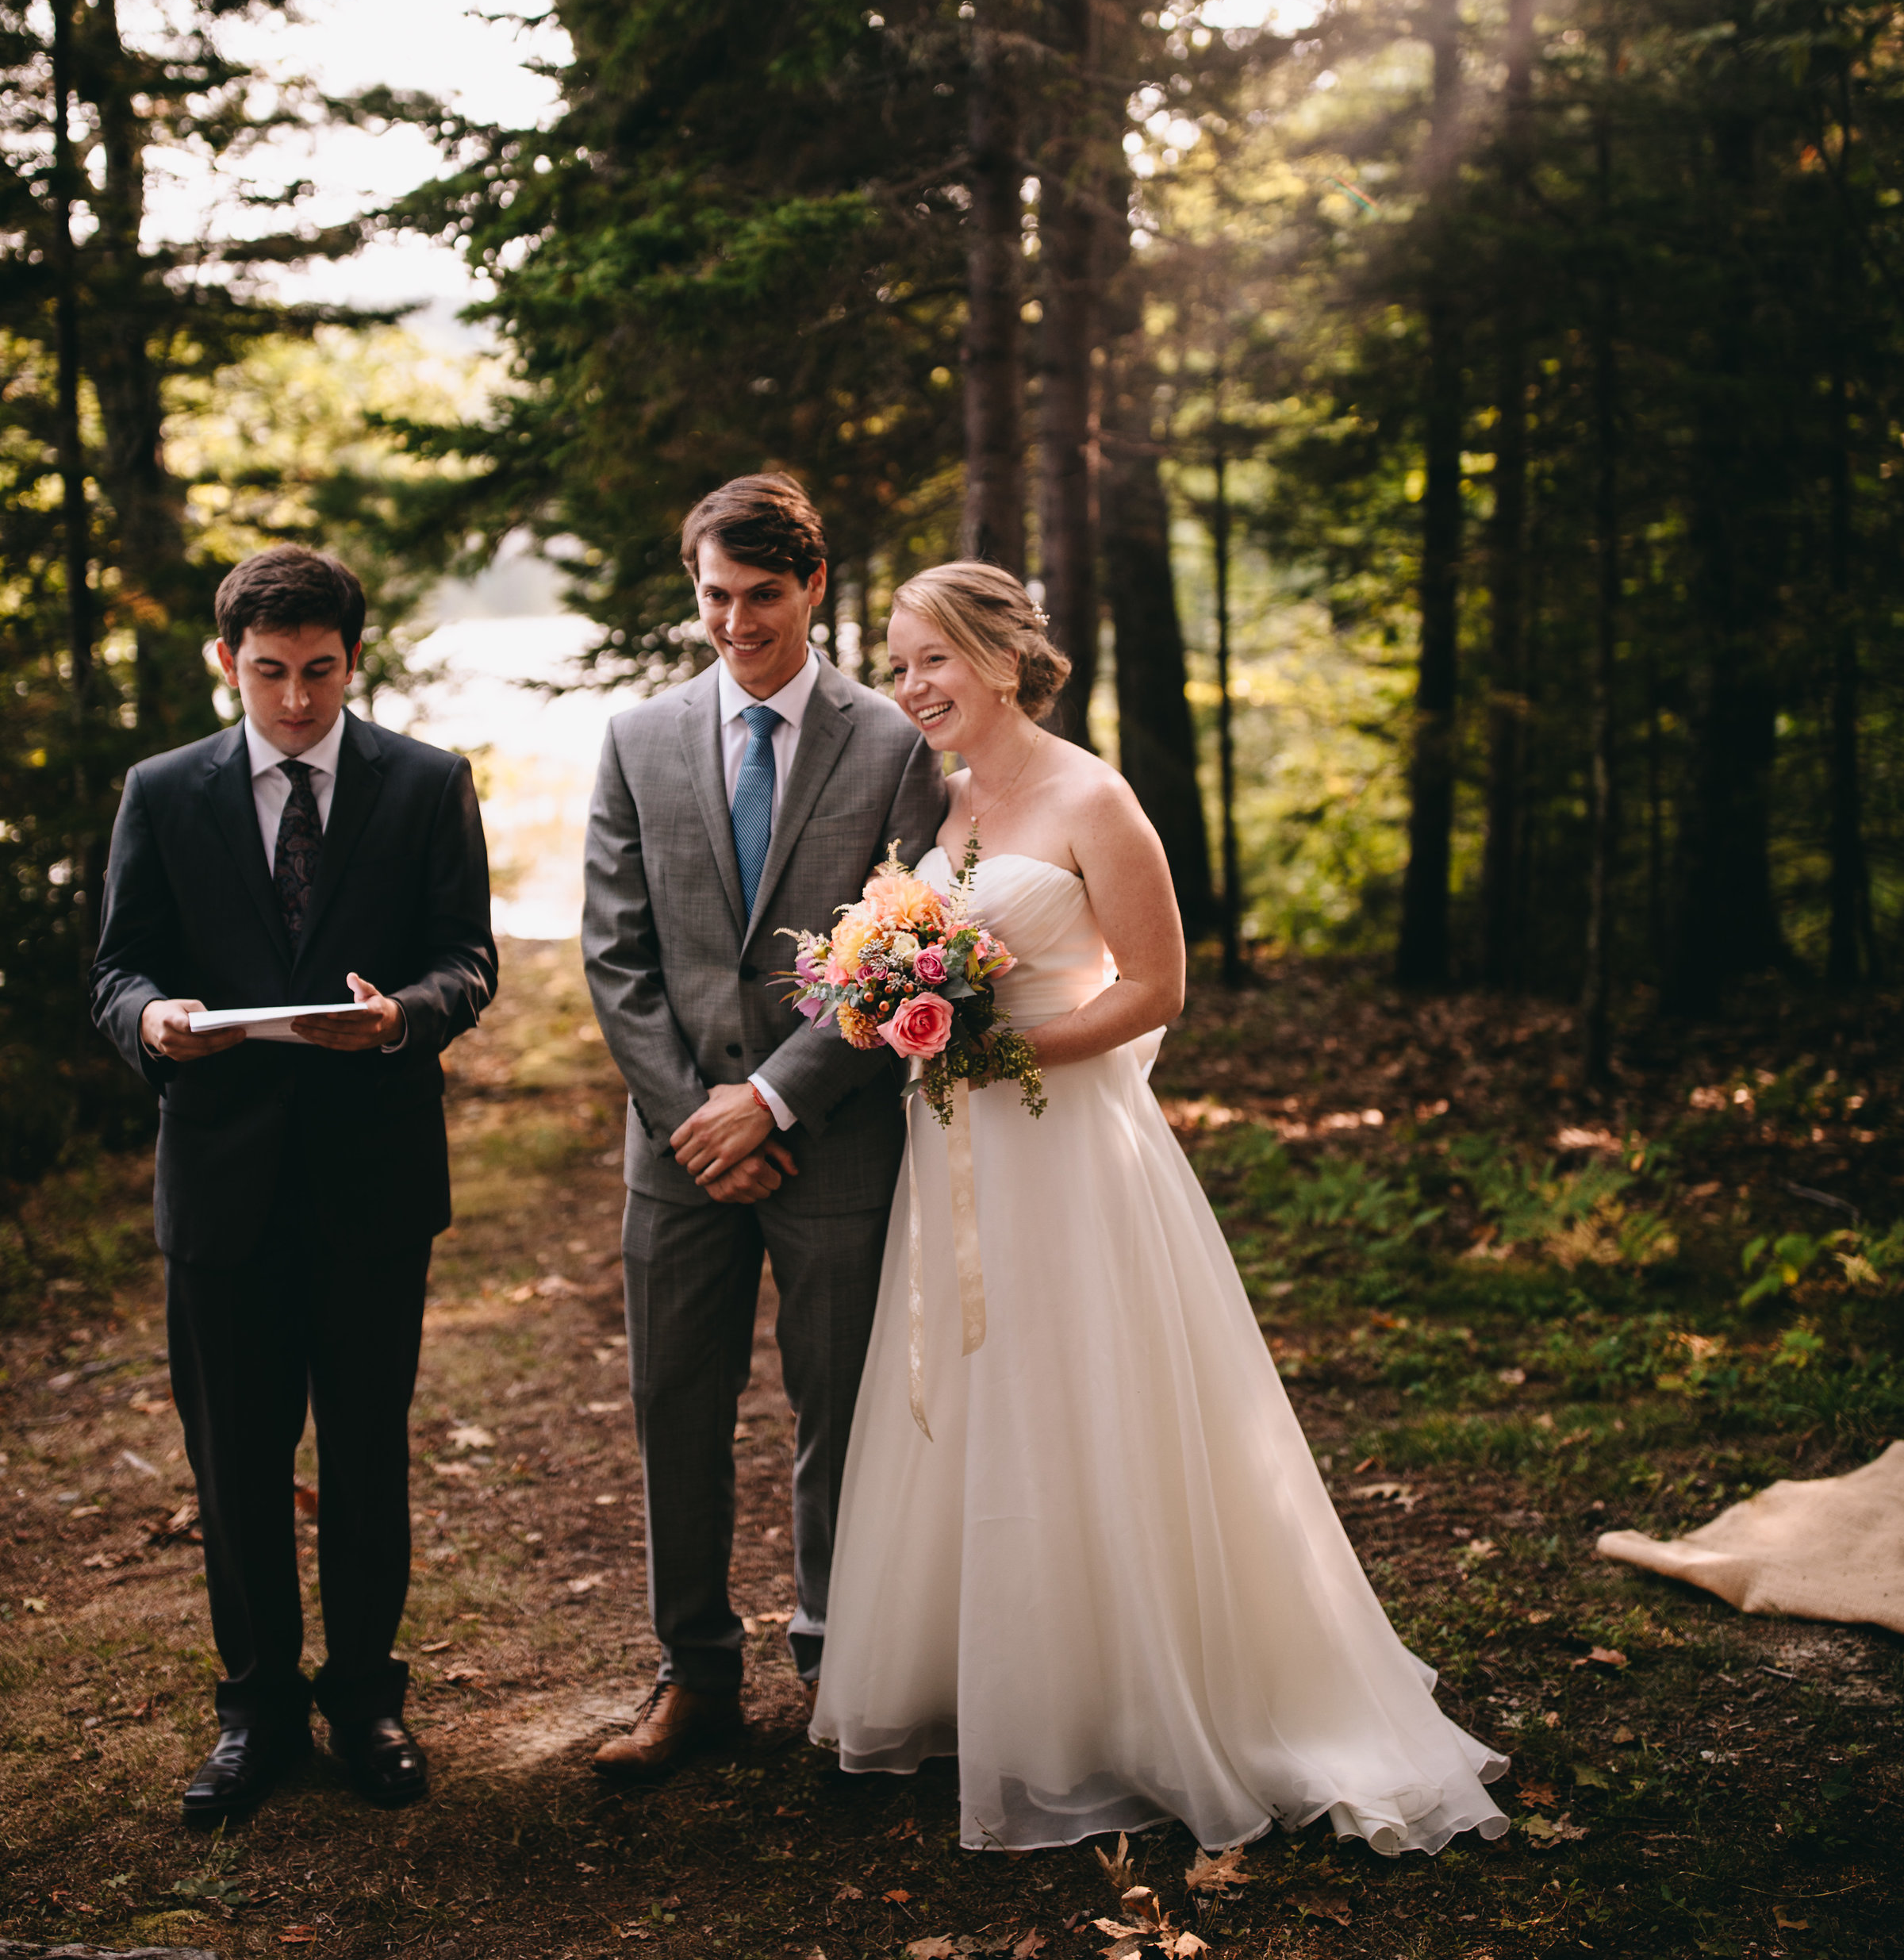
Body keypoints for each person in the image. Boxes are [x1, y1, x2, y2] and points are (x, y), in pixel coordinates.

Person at [812, 562, 1509, 1858]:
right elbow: (919, 952)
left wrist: (998, 1052)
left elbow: (1157, 988)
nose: (911, 688)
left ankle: (1138, 1694)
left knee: (1085, 1398)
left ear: (1002, 660)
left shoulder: (1096, 795)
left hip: (1069, 1148)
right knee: (977, 1397)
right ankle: (1007, 1680)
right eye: (899, 666)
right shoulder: (947, 808)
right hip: (955, 1149)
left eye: (933, 661)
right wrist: (890, 1003)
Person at [90, 547, 496, 1825]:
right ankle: (255, 1711)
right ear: (230, 663)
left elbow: (468, 960)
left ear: (352, 660)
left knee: (369, 1452)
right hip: (220, 1183)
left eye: (320, 671)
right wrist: (155, 1023)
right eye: (270, 672)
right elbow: (117, 972)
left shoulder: (427, 785)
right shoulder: (163, 792)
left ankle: (368, 1700)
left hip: (373, 1179)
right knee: (236, 1462)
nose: (298, 700)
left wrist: (401, 1019)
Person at [583, 475, 945, 1781]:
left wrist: (776, 1097)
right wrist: (702, 1120)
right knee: (674, 1404)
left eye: (762, 596)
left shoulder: (896, 744)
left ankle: (840, 1667)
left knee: (839, 1410)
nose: (737, 622)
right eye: (714, 597)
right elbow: (615, 960)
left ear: (814, 588)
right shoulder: (637, 740)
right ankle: (694, 1676)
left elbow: (910, 954)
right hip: (678, 1155)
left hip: (834, 1137)